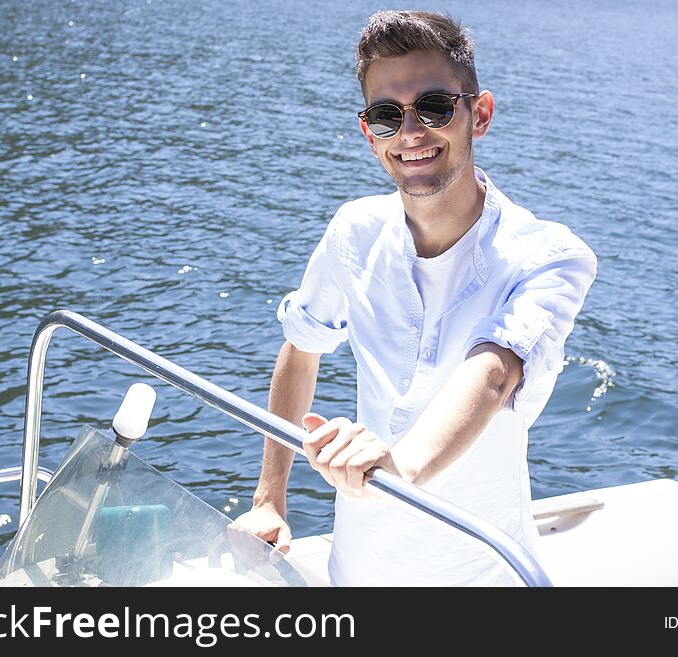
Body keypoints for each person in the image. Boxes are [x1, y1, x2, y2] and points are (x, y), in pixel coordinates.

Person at [235, 10, 597, 586]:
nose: (410, 133)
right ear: (368, 133)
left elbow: (494, 374)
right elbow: (302, 349)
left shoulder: (548, 255)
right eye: (386, 115)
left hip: (483, 576)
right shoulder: (353, 230)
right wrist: (270, 498)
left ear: (478, 115)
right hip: (357, 571)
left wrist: (395, 468)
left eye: (434, 107)